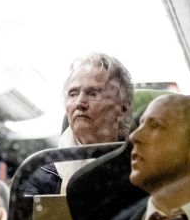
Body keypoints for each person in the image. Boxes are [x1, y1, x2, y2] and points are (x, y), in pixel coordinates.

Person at [26, 52, 133, 195]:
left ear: (122, 109)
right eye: (73, 94)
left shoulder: (139, 170)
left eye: (94, 93)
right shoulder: (41, 175)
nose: (79, 103)